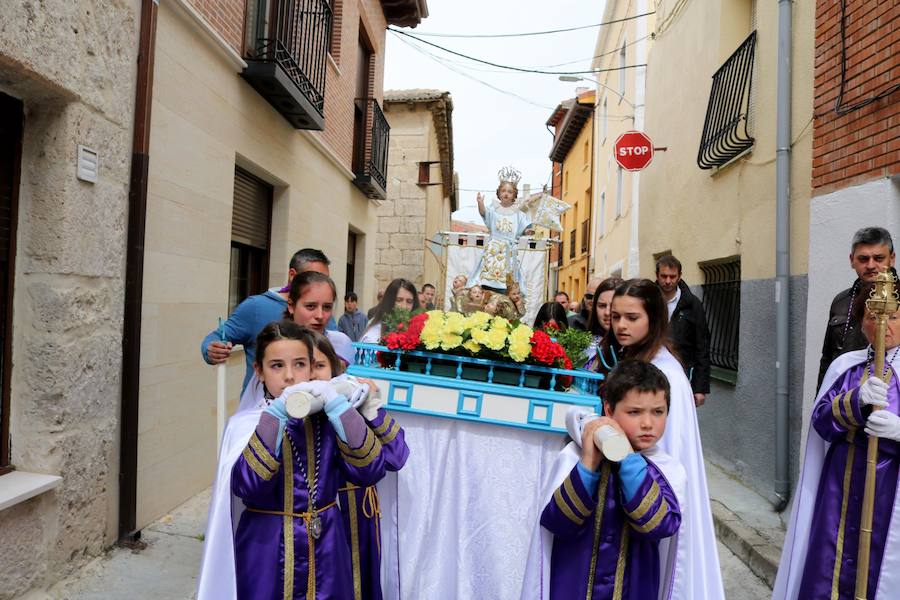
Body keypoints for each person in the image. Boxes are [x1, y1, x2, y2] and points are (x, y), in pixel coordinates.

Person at [195, 321, 385, 599]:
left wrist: (339, 407)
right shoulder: (247, 425)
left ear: (312, 366)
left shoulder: (330, 419)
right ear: (258, 371)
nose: (289, 376)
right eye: (276, 366)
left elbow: (370, 469)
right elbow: (248, 487)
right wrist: (276, 418)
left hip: (329, 546)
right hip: (267, 549)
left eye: (299, 364)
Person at [593, 278, 725, 599]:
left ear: (653, 319)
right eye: (616, 316)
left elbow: (664, 449)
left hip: (650, 496)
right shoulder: (633, 359)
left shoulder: (665, 373)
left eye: (632, 318)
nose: (621, 325)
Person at [774, 277, 900, 599]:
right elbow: (821, 422)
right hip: (838, 487)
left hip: (891, 488)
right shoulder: (846, 366)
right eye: (872, 315)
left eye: (892, 315)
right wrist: (855, 401)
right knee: (830, 566)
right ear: (861, 322)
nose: (881, 323)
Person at [523, 360, 685, 599]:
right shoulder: (575, 457)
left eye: (658, 412)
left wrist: (628, 459)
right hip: (573, 586)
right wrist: (588, 464)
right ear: (609, 411)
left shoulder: (666, 470)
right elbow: (557, 522)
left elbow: (659, 525)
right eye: (634, 412)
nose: (648, 423)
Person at [309, 332, 409, 600]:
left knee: (359, 585)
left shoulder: (355, 404)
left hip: (357, 516)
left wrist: (372, 410)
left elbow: (397, 456)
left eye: (321, 366)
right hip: (315, 518)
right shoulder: (297, 410)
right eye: (307, 366)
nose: (314, 375)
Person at [200, 248, 331, 394]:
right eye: (313, 278)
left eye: (325, 280)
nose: (319, 315)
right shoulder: (255, 307)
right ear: (292, 276)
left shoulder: (324, 315)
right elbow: (218, 337)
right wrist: (212, 349)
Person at [818, 227, 896, 387]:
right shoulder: (841, 301)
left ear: (892, 258)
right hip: (842, 395)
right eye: (863, 259)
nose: (871, 265)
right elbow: (827, 358)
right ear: (852, 260)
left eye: (879, 258)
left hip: (889, 395)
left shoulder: (898, 299)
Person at [655, 255, 711, 407]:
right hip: (650, 373)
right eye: (664, 276)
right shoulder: (648, 300)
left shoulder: (693, 305)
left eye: (672, 276)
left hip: (681, 376)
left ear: (680, 276)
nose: (668, 281)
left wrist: (699, 388)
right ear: (657, 276)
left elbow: (702, 345)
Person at [470, 167, 533, 293]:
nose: (506, 193)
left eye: (509, 192)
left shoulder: (518, 214)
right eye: (503, 191)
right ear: (498, 193)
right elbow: (484, 213)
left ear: (514, 195)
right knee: (487, 277)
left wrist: (528, 231)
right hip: (493, 249)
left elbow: (525, 229)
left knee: (508, 280)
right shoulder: (493, 209)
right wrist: (480, 203)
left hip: (508, 252)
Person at [583, 277, 623, 371]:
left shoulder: (632, 348)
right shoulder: (585, 344)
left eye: (613, 305)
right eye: (602, 306)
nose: (607, 312)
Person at [361, 278, 418, 343]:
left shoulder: (417, 330)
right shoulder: (373, 335)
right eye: (399, 300)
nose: (404, 306)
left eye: (409, 301)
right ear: (389, 301)